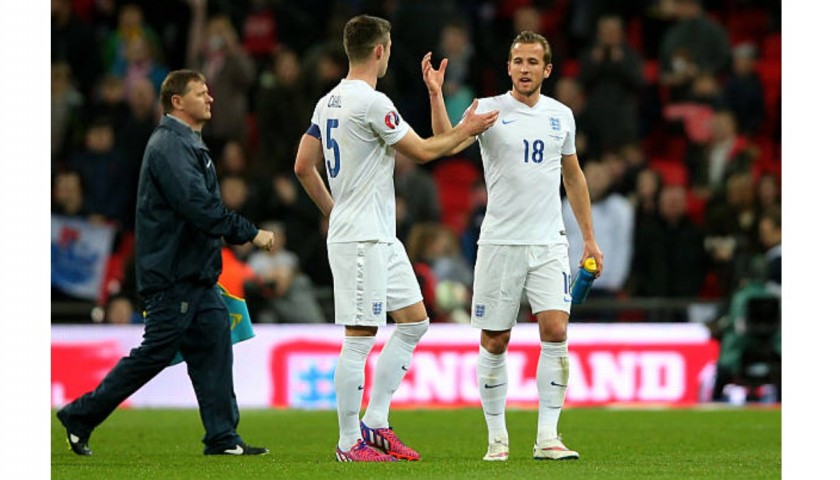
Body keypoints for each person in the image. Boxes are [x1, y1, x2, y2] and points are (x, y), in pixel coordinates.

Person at [293, 14, 499, 463]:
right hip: (362, 238)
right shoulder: (371, 102)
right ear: (380, 51)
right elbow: (427, 151)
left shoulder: (327, 102)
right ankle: (349, 443)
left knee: (414, 321)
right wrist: (470, 129)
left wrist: (335, 211)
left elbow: (303, 166)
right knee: (360, 335)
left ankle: (377, 422)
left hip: (377, 235)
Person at [56, 69, 278, 457]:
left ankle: (223, 437)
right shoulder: (170, 146)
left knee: (214, 346)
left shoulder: (186, 143)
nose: (210, 98)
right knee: (154, 354)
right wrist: (248, 232)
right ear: (177, 101)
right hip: (173, 276)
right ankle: (81, 414)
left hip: (196, 276)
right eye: (201, 92)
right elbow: (198, 207)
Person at [422, 30, 604, 461]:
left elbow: (573, 177)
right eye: (518, 61)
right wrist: (435, 96)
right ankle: (497, 439)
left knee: (556, 331)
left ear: (547, 69)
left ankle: (548, 437)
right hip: (500, 242)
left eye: (532, 62)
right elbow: (443, 144)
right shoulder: (487, 109)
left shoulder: (561, 116)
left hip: (549, 242)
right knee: (496, 340)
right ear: (509, 67)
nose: (525, 69)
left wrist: (589, 238)